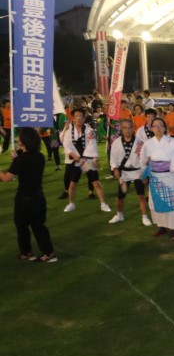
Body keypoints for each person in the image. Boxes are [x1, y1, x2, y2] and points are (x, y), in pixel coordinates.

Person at [0, 127, 56, 262]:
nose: (17, 139)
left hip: (24, 199)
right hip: (38, 197)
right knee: (38, 227)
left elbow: (7, 178)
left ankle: (28, 252)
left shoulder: (21, 160)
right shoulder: (40, 157)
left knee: (22, 227)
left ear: (23, 141)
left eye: (19, 137)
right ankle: (47, 252)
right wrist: (17, 156)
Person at [140, 117, 174, 240]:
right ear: (151, 128)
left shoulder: (172, 142)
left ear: (165, 128)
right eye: (155, 126)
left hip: (170, 177)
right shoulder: (148, 144)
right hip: (155, 177)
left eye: (161, 125)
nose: (158, 128)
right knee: (156, 202)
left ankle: (173, 229)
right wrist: (146, 163)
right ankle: (161, 226)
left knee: (171, 202)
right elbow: (143, 160)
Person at [61, 108, 111, 214]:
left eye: (81, 116)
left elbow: (92, 144)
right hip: (76, 160)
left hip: (86, 161)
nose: (78, 119)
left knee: (96, 182)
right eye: (76, 116)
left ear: (84, 118)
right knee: (72, 184)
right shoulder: (69, 132)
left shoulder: (89, 130)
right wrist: (74, 155)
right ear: (73, 119)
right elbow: (66, 145)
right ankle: (71, 204)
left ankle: (103, 204)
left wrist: (94, 159)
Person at [107, 118, 151, 226]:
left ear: (133, 128)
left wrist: (144, 174)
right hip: (124, 173)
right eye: (125, 128)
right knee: (120, 197)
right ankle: (119, 215)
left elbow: (144, 159)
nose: (128, 130)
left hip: (137, 172)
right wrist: (115, 169)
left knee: (141, 196)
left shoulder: (140, 142)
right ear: (121, 129)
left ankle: (145, 217)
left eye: (130, 127)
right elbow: (113, 158)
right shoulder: (116, 143)